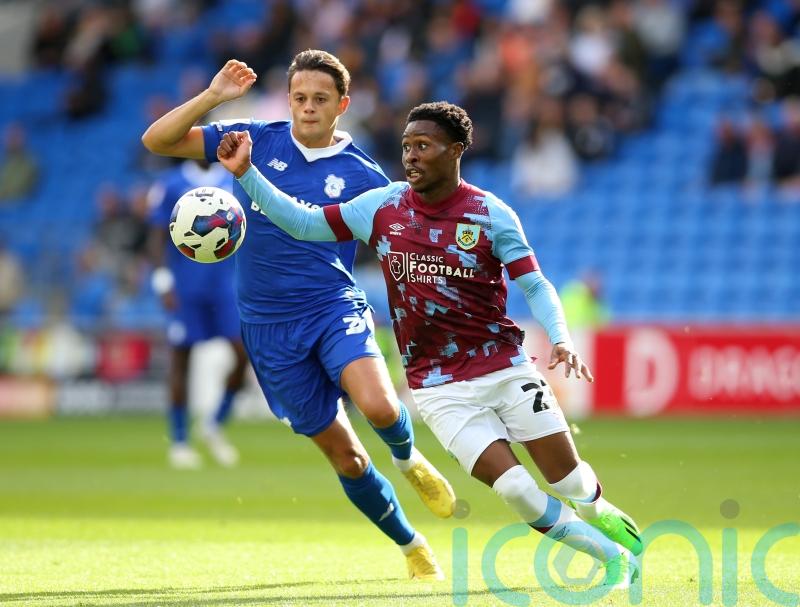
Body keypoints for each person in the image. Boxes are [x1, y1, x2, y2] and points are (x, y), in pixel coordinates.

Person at [217, 101, 643, 589]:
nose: (411, 157)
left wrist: (562, 338)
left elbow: (536, 284)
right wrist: (248, 174)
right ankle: (611, 558)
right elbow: (304, 222)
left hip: (503, 368)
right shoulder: (382, 207)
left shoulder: (489, 213)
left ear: (456, 150)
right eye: (406, 147)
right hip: (438, 387)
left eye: (423, 146)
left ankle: (601, 511)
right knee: (518, 492)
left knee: (569, 483)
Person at [141, 53, 454, 580]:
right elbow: (158, 140)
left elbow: (396, 244)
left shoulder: (362, 173)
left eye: (320, 100)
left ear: (342, 105)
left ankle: (407, 458)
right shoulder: (252, 138)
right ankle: (411, 544)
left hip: (333, 306)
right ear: (288, 100)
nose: (308, 109)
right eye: (299, 98)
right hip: (266, 327)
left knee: (378, 404)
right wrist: (215, 96)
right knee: (348, 459)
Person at [147, 159, 249, 469]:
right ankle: (179, 442)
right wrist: (162, 279)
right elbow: (156, 236)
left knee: (244, 354)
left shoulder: (235, 179)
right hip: (186, 285)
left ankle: (214, 422)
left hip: (226, 285)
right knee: (181, 358)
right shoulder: (170, 183)